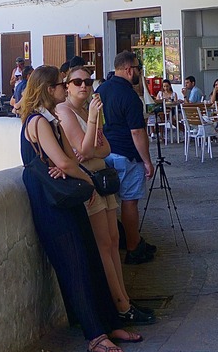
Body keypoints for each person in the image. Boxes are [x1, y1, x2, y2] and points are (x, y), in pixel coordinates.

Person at [19, 66, 141, 352]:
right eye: (61, 85)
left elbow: (71, 158)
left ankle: (109, 324)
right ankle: (95, 335)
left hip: (63, 196)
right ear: (49, 89)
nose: (64, 89)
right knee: (75, 265)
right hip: (52, 201)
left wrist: (72, 170)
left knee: (89, 258)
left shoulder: (51, 120)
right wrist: (88, 182)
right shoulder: (38, 122)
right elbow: (64, 162)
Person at [56, 67, 154, 327]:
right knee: (103, 245)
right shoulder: (66, 111)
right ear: (66, 86)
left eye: (88, 82)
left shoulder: (88, 110)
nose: (84, 86)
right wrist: (92, 122)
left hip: (103, 178)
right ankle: (119, 305)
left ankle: (124, 299)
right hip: (89, 182)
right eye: (77, 82)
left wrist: (93, 130)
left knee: (113, 241)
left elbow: (105, 147)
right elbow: (85, 149)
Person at [96, 51, 156, 265]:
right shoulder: (130, 96)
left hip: (105, 154)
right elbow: (137, 132)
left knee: (109, 204)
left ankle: (122, 244)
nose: (139, 72)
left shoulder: (101, 90)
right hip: (127, 155)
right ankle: (133, 247)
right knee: (129, 202)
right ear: (129, 69)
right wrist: (147, 161)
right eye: (139, 68)